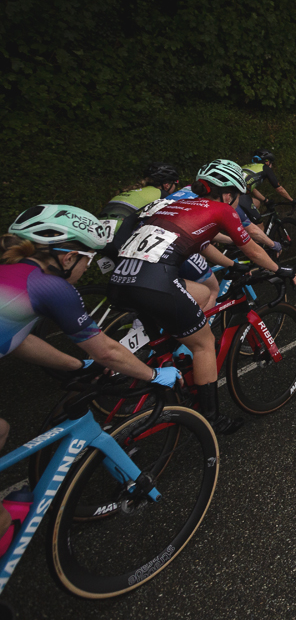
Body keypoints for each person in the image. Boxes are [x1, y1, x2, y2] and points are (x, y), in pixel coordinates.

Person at [1, 204, 182, 544]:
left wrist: (77, 365)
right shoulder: (52, 288)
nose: (88, 268)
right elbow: (108, 351)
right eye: (87, 259)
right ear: (68, 257)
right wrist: (154, 375)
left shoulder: (13, 276)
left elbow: (16, 341)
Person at [106, 159, 294, 434]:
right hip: (155, 281)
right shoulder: (220, 209)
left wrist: (232, 265)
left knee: (204, 292)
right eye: (237, 196)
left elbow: (202, 245)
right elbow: (252, 249)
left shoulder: (175, 204)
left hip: (120, 280)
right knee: (204, 342)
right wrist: (280, 270)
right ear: (228, 193)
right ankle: (211, 420)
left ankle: (167, 372)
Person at [95, 162, 182, 275]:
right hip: (118, 238)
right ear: (167, 185)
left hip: (99, 236)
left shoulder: (130, 191)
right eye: (175, 184)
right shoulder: (163, 195)